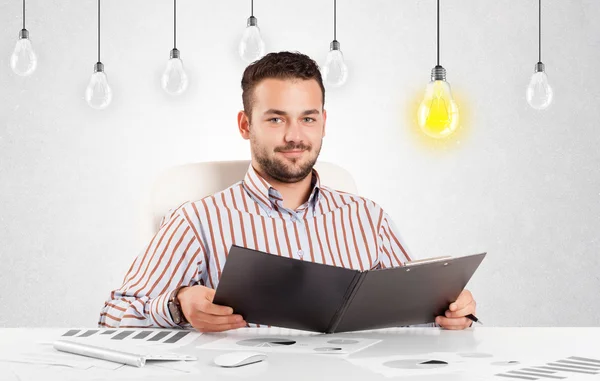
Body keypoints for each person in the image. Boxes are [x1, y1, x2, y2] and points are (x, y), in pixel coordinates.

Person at [99, 51, 476, 332]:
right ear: (246, 125)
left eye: (308, 119)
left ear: (323, 123)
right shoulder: (197, 220)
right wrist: (179, 305)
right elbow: (112, 317)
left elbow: (415, 315)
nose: (295, 136)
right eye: (276, 118)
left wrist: (452, 311)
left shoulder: (367, 218)